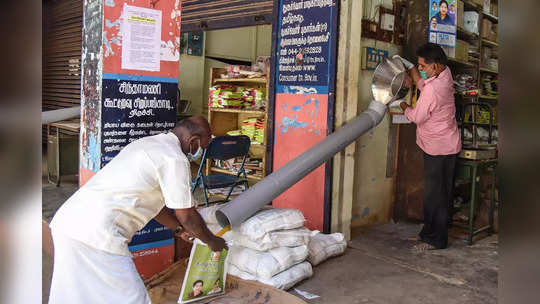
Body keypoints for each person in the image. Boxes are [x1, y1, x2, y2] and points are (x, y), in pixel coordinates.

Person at [48, 116, 227, 303]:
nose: (200, 152)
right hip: (98, 234)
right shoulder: (174, 159)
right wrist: (212, 241)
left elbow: (154, 206)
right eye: (202, 147)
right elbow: (187, 215)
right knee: (132, 297)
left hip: (68, 223)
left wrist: (179, 230)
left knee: (73, 293)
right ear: (193, 141)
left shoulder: (147, 144)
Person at [393, 43, 461, 251]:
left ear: (436, 66)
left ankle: (436, 240)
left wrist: (402, 105)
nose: (421, 69)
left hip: (437, 148)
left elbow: (418, 116)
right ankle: (429, 233)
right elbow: (424, 83)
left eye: (423, 66)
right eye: (419, 65)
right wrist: (414, 72)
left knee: (434, 196)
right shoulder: (445, 74)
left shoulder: (432, 90)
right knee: (443, 193)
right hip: (450, 144)